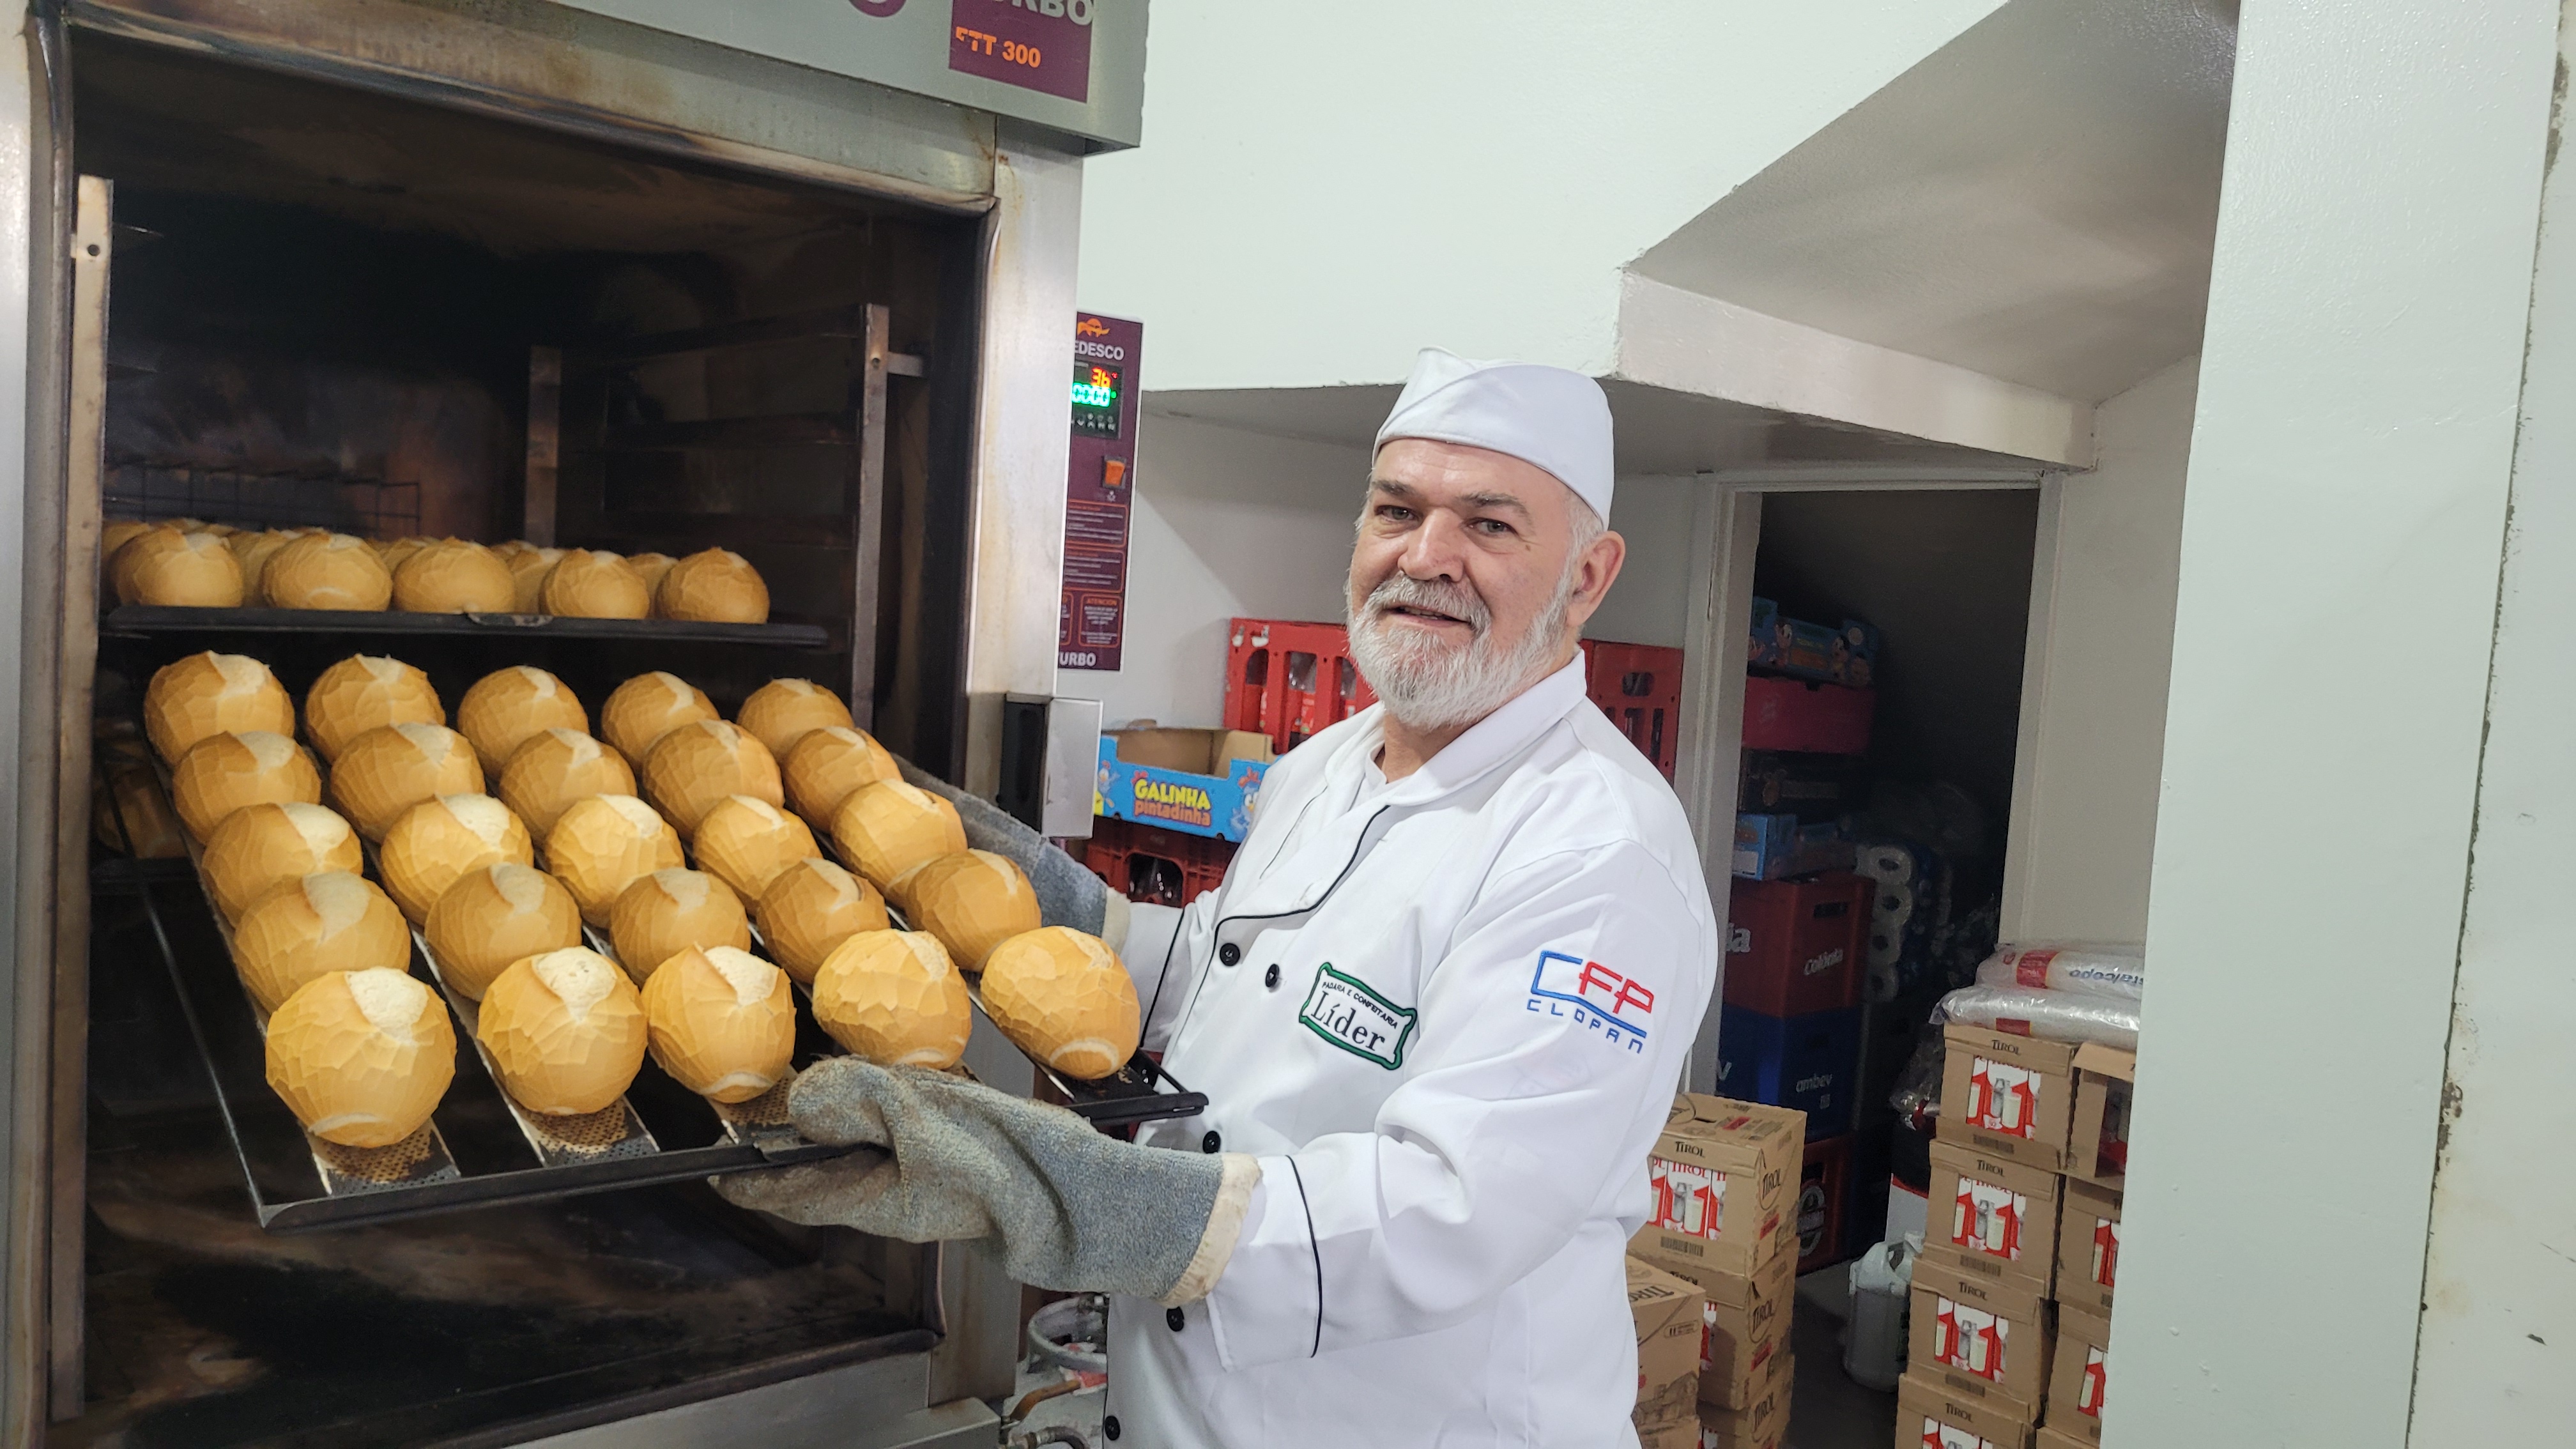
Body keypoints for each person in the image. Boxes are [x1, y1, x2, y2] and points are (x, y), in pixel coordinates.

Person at [724, 349, 1719, 1447]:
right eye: (1397, 511)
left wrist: (1070, 1196)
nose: (1425, 557)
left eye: (1490, 525)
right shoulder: (1326, 766)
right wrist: (1035, 898)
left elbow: (1449, 1214)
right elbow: (1221, 985)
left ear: (1588, 577)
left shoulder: (1598, 856)